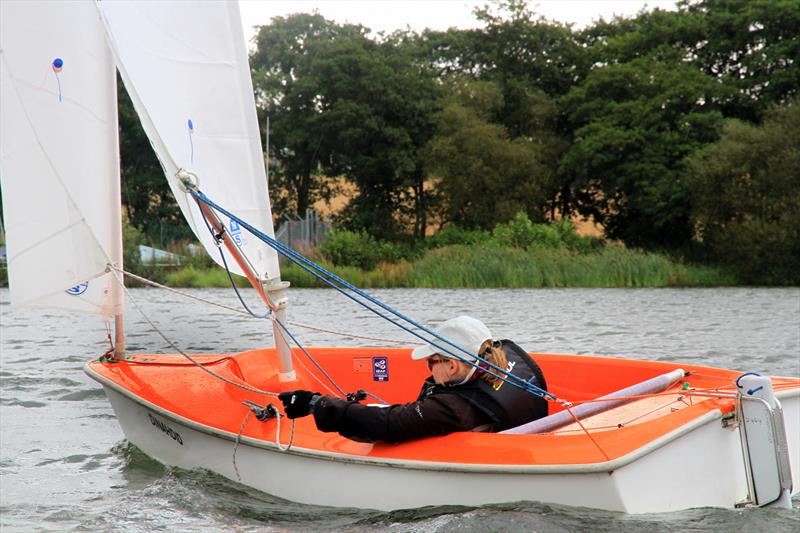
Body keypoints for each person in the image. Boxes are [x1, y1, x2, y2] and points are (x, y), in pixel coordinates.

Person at [278, 316, 548, 443]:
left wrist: (315, 403)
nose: (428, 368)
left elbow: (387, 424)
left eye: (432, 361)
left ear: (452, 366)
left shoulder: (454, 408)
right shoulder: (500, 362)